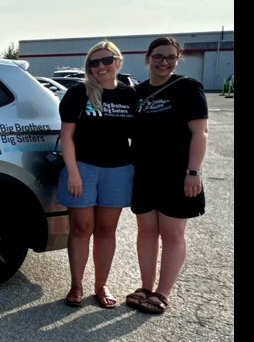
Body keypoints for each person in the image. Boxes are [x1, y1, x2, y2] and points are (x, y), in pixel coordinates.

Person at [127, 37, 208, 315]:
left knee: (172, 234)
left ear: (178, 59)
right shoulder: (137, 92)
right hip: (144, 174)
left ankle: (162, 292)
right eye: (159, 56)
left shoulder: (188, 89)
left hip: (178, 174)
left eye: (171, 57)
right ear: (147, 58)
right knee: (147, 232)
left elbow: (200, 133)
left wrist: (193, 172)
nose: (165, 62)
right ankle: (145, 287)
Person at [57, 41, 137, 308]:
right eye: (94, 62)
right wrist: (73, 173)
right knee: (81, 228)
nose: (101, 66)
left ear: (118, 61)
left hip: (118, 171)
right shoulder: (78, 94)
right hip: (83, 168)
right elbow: (66, 137)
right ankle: (76, 285)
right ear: (88, 66)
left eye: (106, 60)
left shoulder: (129, 96)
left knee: (106, 230)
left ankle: (101, 285)